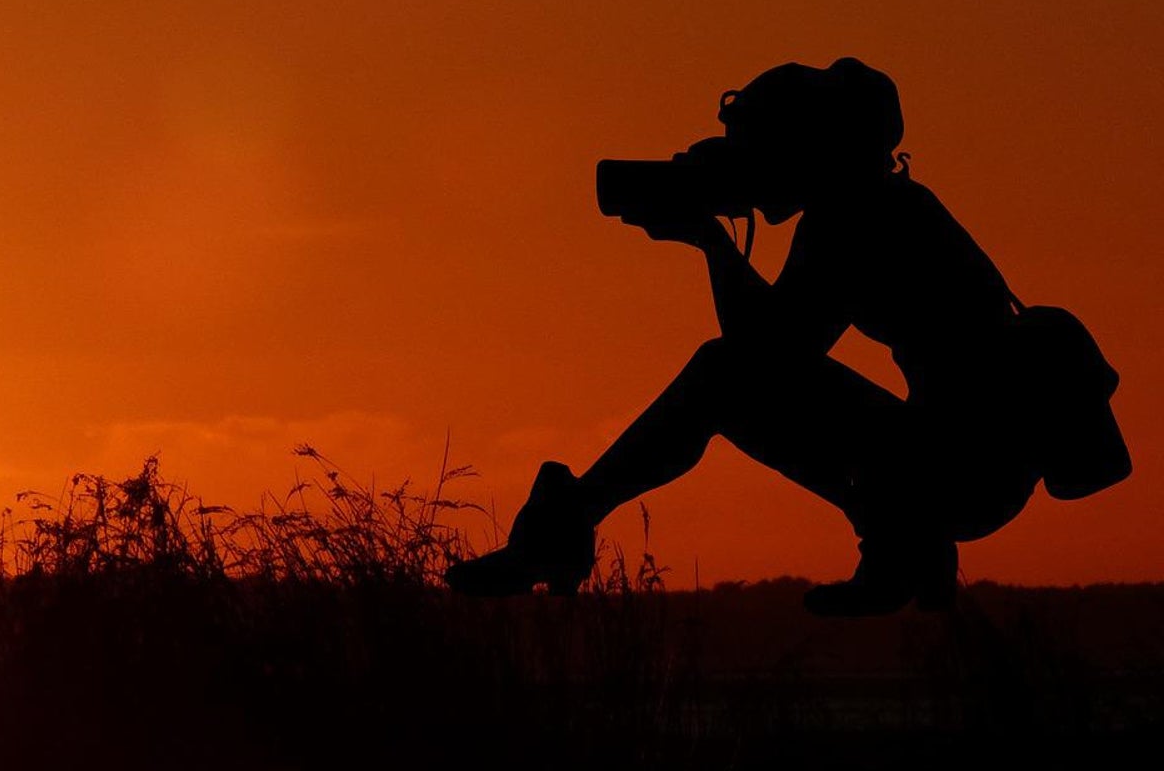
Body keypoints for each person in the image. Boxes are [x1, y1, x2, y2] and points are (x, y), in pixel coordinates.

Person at [444, 58, 1045, 616]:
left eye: (760, 148)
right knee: (726, 376)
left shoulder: (857, 220)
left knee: (720, 374)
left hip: (965, 469)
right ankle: (907, 542)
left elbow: (767, 356)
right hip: (968, 461)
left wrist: (711, 241)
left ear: (808, 149)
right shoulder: (886, 204)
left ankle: (904, 541)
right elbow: (772, 353)